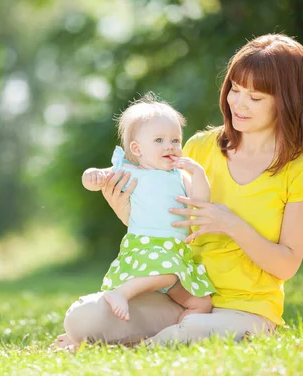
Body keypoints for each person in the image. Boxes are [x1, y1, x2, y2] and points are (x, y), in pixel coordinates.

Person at [54, 33, 303, 349]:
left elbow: (286, 264)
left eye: (255, 97)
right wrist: (125, 211)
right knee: (83, 317)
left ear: (287, 100)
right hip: (184, 297)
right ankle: (122, 340)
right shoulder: (198, 148)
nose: (238, 103)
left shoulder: (301, 168)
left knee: (187, 332)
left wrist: (230, 224)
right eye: (235, 90)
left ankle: (124, 347)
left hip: (246, 309)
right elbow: (169, 226)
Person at [81, 94, 215, 323]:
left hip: (175, 253)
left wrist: (199, 173)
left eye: (175, 140)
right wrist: (92, 176)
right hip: (146, 249)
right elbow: (93, 179)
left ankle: (176, 332)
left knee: (202, 302)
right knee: (168, 271)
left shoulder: (182, 177)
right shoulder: (130, 172)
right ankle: (120, 293)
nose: (170, 146)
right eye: (159, 140)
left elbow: (201, 203)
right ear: (137, 149)